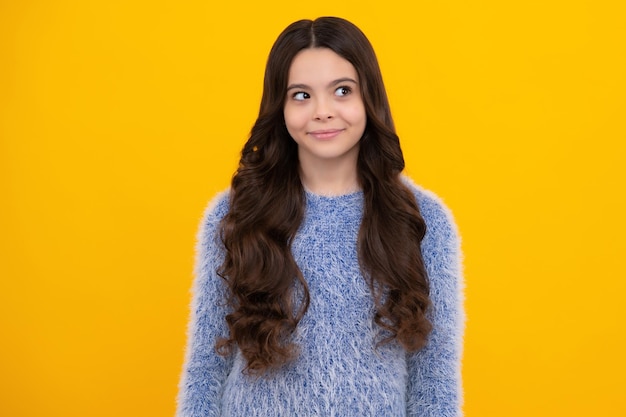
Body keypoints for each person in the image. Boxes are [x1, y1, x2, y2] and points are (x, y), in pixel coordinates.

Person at [176, 16, 464, 417]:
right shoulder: (233, 215)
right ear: (280, 106)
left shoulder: (421, 219)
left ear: (370, 98)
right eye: (301, 95)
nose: (323, 111)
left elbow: (434, 378)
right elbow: (207, 366)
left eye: (342, 91)